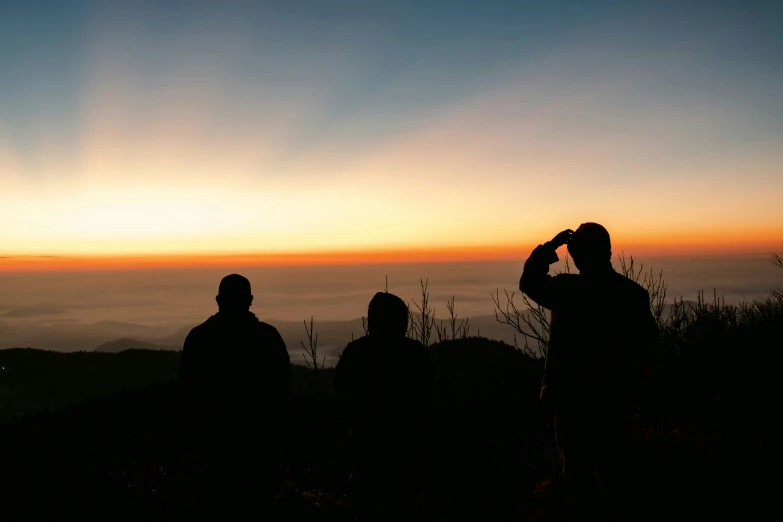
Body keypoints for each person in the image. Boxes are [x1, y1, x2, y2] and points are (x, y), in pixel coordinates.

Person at [519, 223, 658, 520]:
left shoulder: (569, 289)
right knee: (617, 473)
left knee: (578, 477)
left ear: (577, 255)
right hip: (616, 399)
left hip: (573, 401)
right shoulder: (633, 294)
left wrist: (548, 248)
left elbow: (529, 282)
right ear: (607, 252)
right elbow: (648, 347)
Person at [179, 274, 291, 513]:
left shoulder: (199, 338)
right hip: (259, 444)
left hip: (212, 445)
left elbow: (187, 393)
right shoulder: (268, 337)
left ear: (218, 300)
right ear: (250, 300)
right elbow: (282, 389)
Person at [333, 292, 435, 521]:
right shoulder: (415, 354)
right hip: (407, 452)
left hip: (367, 450)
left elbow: (340, 392)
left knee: (366, 507)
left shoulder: (356, 352)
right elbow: (427, 401)